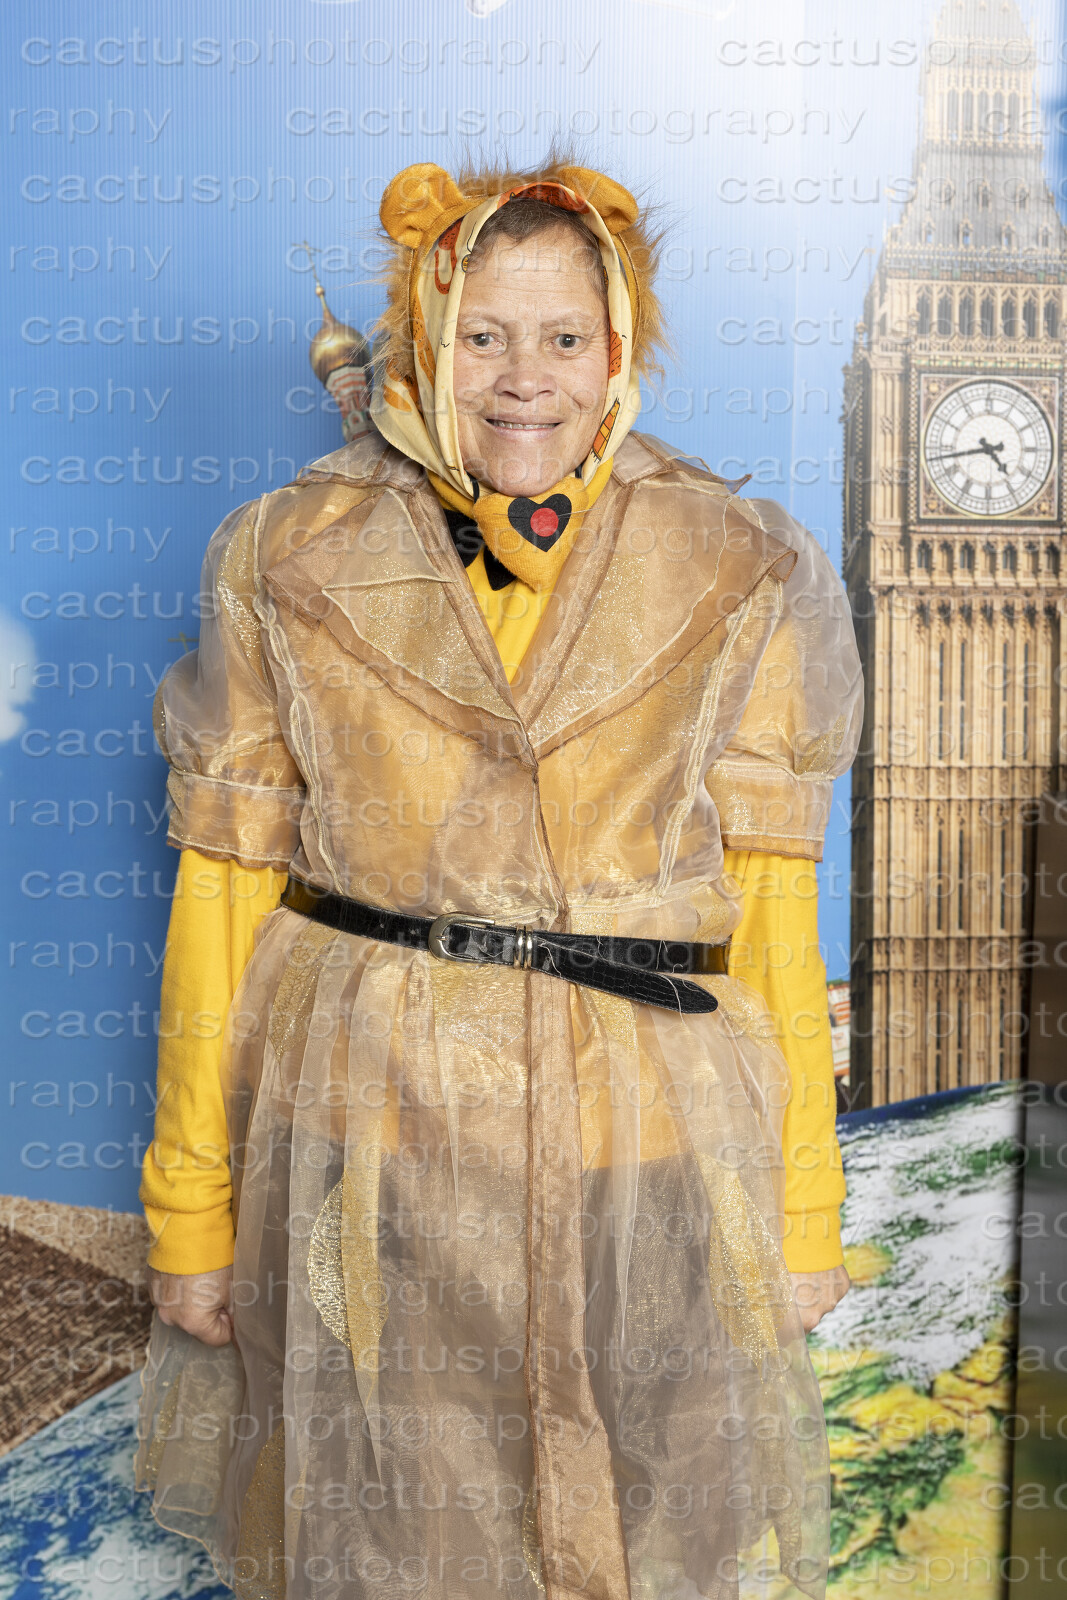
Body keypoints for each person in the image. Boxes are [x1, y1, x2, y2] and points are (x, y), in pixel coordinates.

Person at [136, 156, 862, 1600]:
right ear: (424, 340)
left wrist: (799, 1216)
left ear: (620, 349)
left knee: (643, 1529)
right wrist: (191, 1214)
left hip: (644, 1143)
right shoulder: (282, 553)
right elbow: (219, 903)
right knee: (384, 1527)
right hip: (372, 1140)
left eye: (565, 336)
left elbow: (773, 910)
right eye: (483, 335)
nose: (525, 378)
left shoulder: (745, 562)